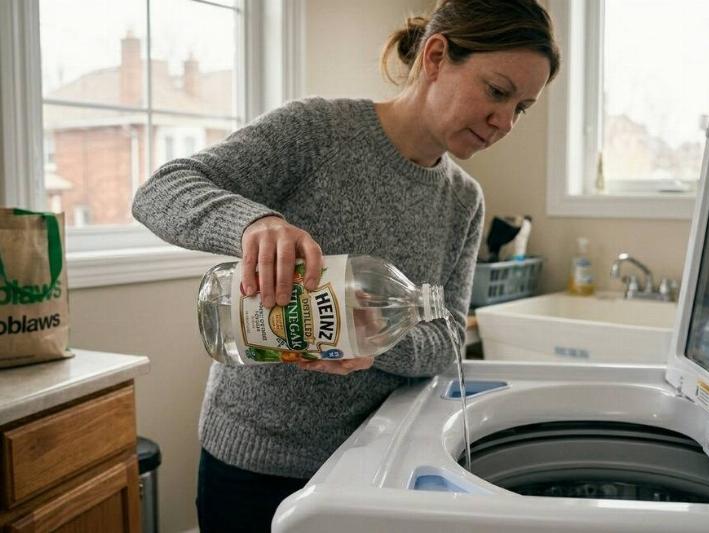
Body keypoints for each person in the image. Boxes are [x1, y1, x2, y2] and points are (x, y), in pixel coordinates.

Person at [132, 0, 559, 530]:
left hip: (374, 460)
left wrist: (374, 338)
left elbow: (448, 333)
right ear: (436, 55)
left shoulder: (464, 201)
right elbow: (160, 191)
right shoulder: (316, 132)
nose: (505, 122)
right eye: (497, 91)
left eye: (521, 108)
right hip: (255, 462)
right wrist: (252, 224)